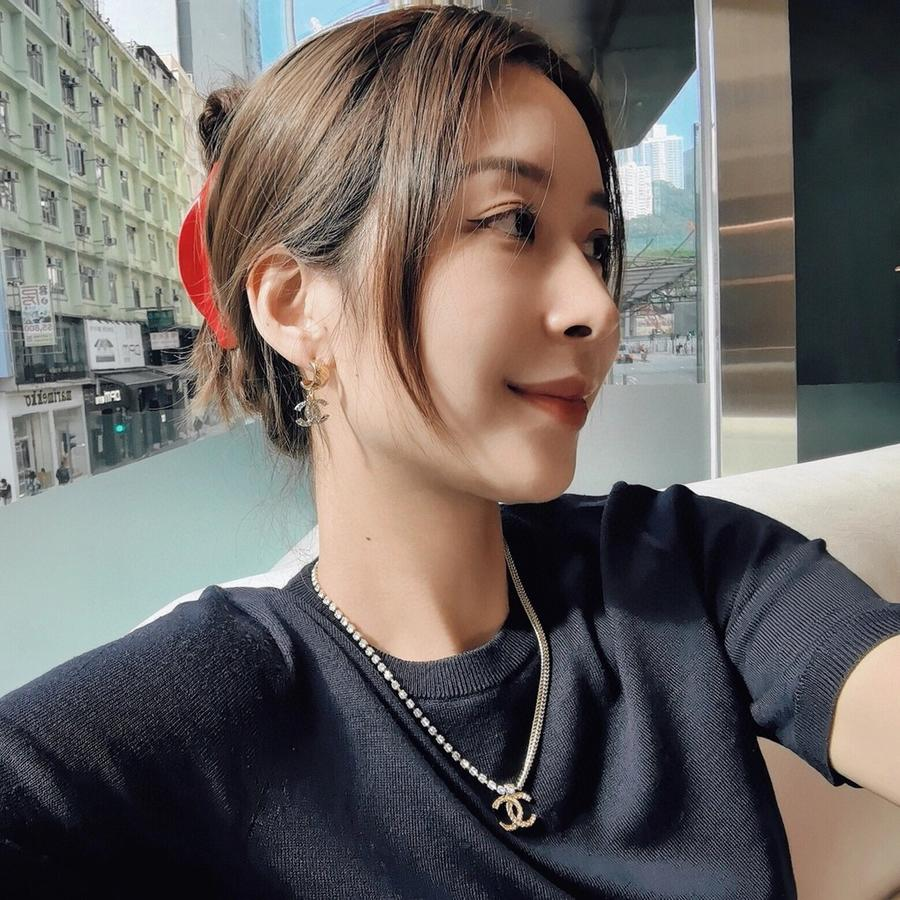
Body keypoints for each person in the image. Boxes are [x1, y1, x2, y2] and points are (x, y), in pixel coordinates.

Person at [1, 6, 898, 897]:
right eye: (513, 224)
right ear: (295, 305)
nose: (598, 307)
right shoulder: (204, 702)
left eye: (595, 244)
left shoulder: (692, 567)